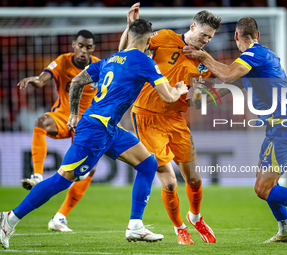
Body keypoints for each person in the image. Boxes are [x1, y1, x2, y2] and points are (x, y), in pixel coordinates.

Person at [1, 18, 188, 249]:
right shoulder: (144, 61)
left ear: (128, 36)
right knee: (62, 180)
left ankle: (136, 225)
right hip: (96, 129)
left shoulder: (111, 59)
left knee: (148, 164)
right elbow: (168, 97)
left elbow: (78, 81)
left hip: (107, 128)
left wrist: (73, 114)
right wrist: (179, 89)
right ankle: (9, 219)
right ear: (150, 40)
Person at [183, 17, 287, 243]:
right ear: (258, 35)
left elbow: (226, 74)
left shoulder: (255, 55)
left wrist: (204, 57)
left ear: (237, 36)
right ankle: (285, 229)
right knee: (266, 184)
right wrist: (191, 97)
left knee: (263, 188)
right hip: (279, 128)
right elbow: (222, 89)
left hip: (285, 127)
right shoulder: (256, 63)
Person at [118, 3, 220, 245]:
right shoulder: (163, 37)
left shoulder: (202, 61)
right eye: (203, 34)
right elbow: (125, 52)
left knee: (194, 179)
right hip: (146, 117)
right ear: (192, 26)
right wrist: (131, 26)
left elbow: (197, 99)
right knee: (170, 180)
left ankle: (195, 217)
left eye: (210, 37)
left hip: (175, 119)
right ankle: (179, 227)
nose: (206, 40)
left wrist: (224, 90)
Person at [18, 30, 100, 232]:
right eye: (80, 45)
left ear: (93, 49)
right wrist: (35, 80)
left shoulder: (99, 65)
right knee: (41, 122)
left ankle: (60, 218)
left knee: (88, 169)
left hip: (87, 123)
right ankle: (37, 175)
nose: (83, 50)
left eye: (88, 47)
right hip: (64, 116)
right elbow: (43, 78)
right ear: (74, 45)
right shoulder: (62, 61)